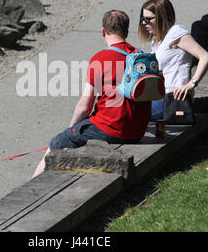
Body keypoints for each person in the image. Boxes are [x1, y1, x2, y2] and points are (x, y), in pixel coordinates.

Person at [32, 10, 151, 177]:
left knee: (58, 142)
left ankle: (33, 184)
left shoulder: (101, 58)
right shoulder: (140, 56)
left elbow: (84, 107)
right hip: (137, 130)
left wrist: (71, 129)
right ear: (126, 31)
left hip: (111, 128)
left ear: (103, 31)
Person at [138, 0, 208, 120]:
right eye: (142, 19)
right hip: (158, 95)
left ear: (161, 17)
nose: (143, 23)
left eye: (148, 19)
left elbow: (205, 57)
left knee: (130, 114)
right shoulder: (157, 41)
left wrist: (191, 84)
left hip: (172, 97)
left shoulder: (176, 32)